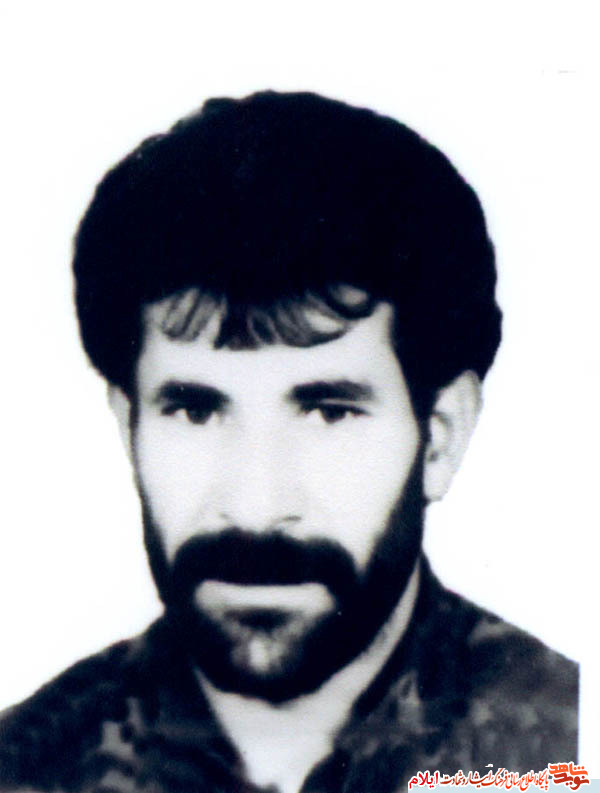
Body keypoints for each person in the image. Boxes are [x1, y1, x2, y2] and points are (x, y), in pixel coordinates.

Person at [0, 91, 577, 793]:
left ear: (440, 438)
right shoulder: (22, 767)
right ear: (130, 428)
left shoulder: (571, 756)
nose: (256, 506)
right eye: (194, 411)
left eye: (329, 413)